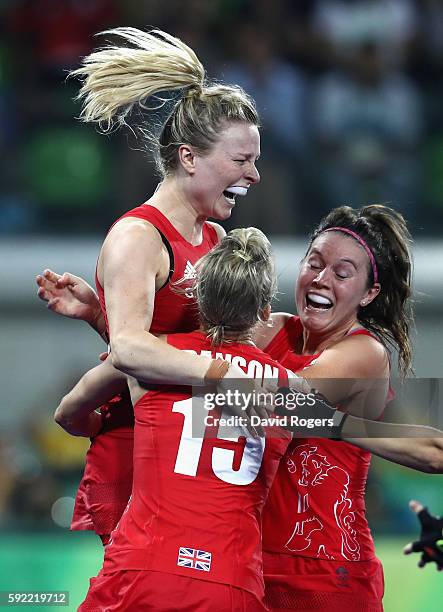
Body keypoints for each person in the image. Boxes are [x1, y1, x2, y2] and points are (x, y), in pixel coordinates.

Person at [36, 26, 263, 545]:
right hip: (133, 454)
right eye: (240, 160)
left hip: (189, 449)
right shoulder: (138, 237)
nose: (254, 175)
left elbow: (162, 340)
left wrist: (101, 317)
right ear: (189, 158)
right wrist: (228, 374)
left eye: (254, 159)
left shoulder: (215, 236)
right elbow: (134, 349)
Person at [55, 228, 293, 612]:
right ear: (264, 310)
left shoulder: (149, 359)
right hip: (231, 583)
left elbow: (67, 413)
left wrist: (98, 426)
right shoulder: (288, 389)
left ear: (196, 297)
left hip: (142, 569)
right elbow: (364, 432)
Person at [258, 204, 413, 612]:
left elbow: (281, 400)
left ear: (368, 294)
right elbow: (188, 349)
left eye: (342, 274)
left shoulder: (364, 352)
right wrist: (106, 321)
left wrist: (205, 374)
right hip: (249, 564)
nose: (321, 279)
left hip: (329, 574)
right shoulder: (274, 328)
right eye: (314, 263)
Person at [403, 500, 443, 571]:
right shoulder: (429, 523)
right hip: (430, 544)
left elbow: (407, 550)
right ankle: (425, 560)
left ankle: (425, 560)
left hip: (431, 549)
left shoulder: (429, 523)